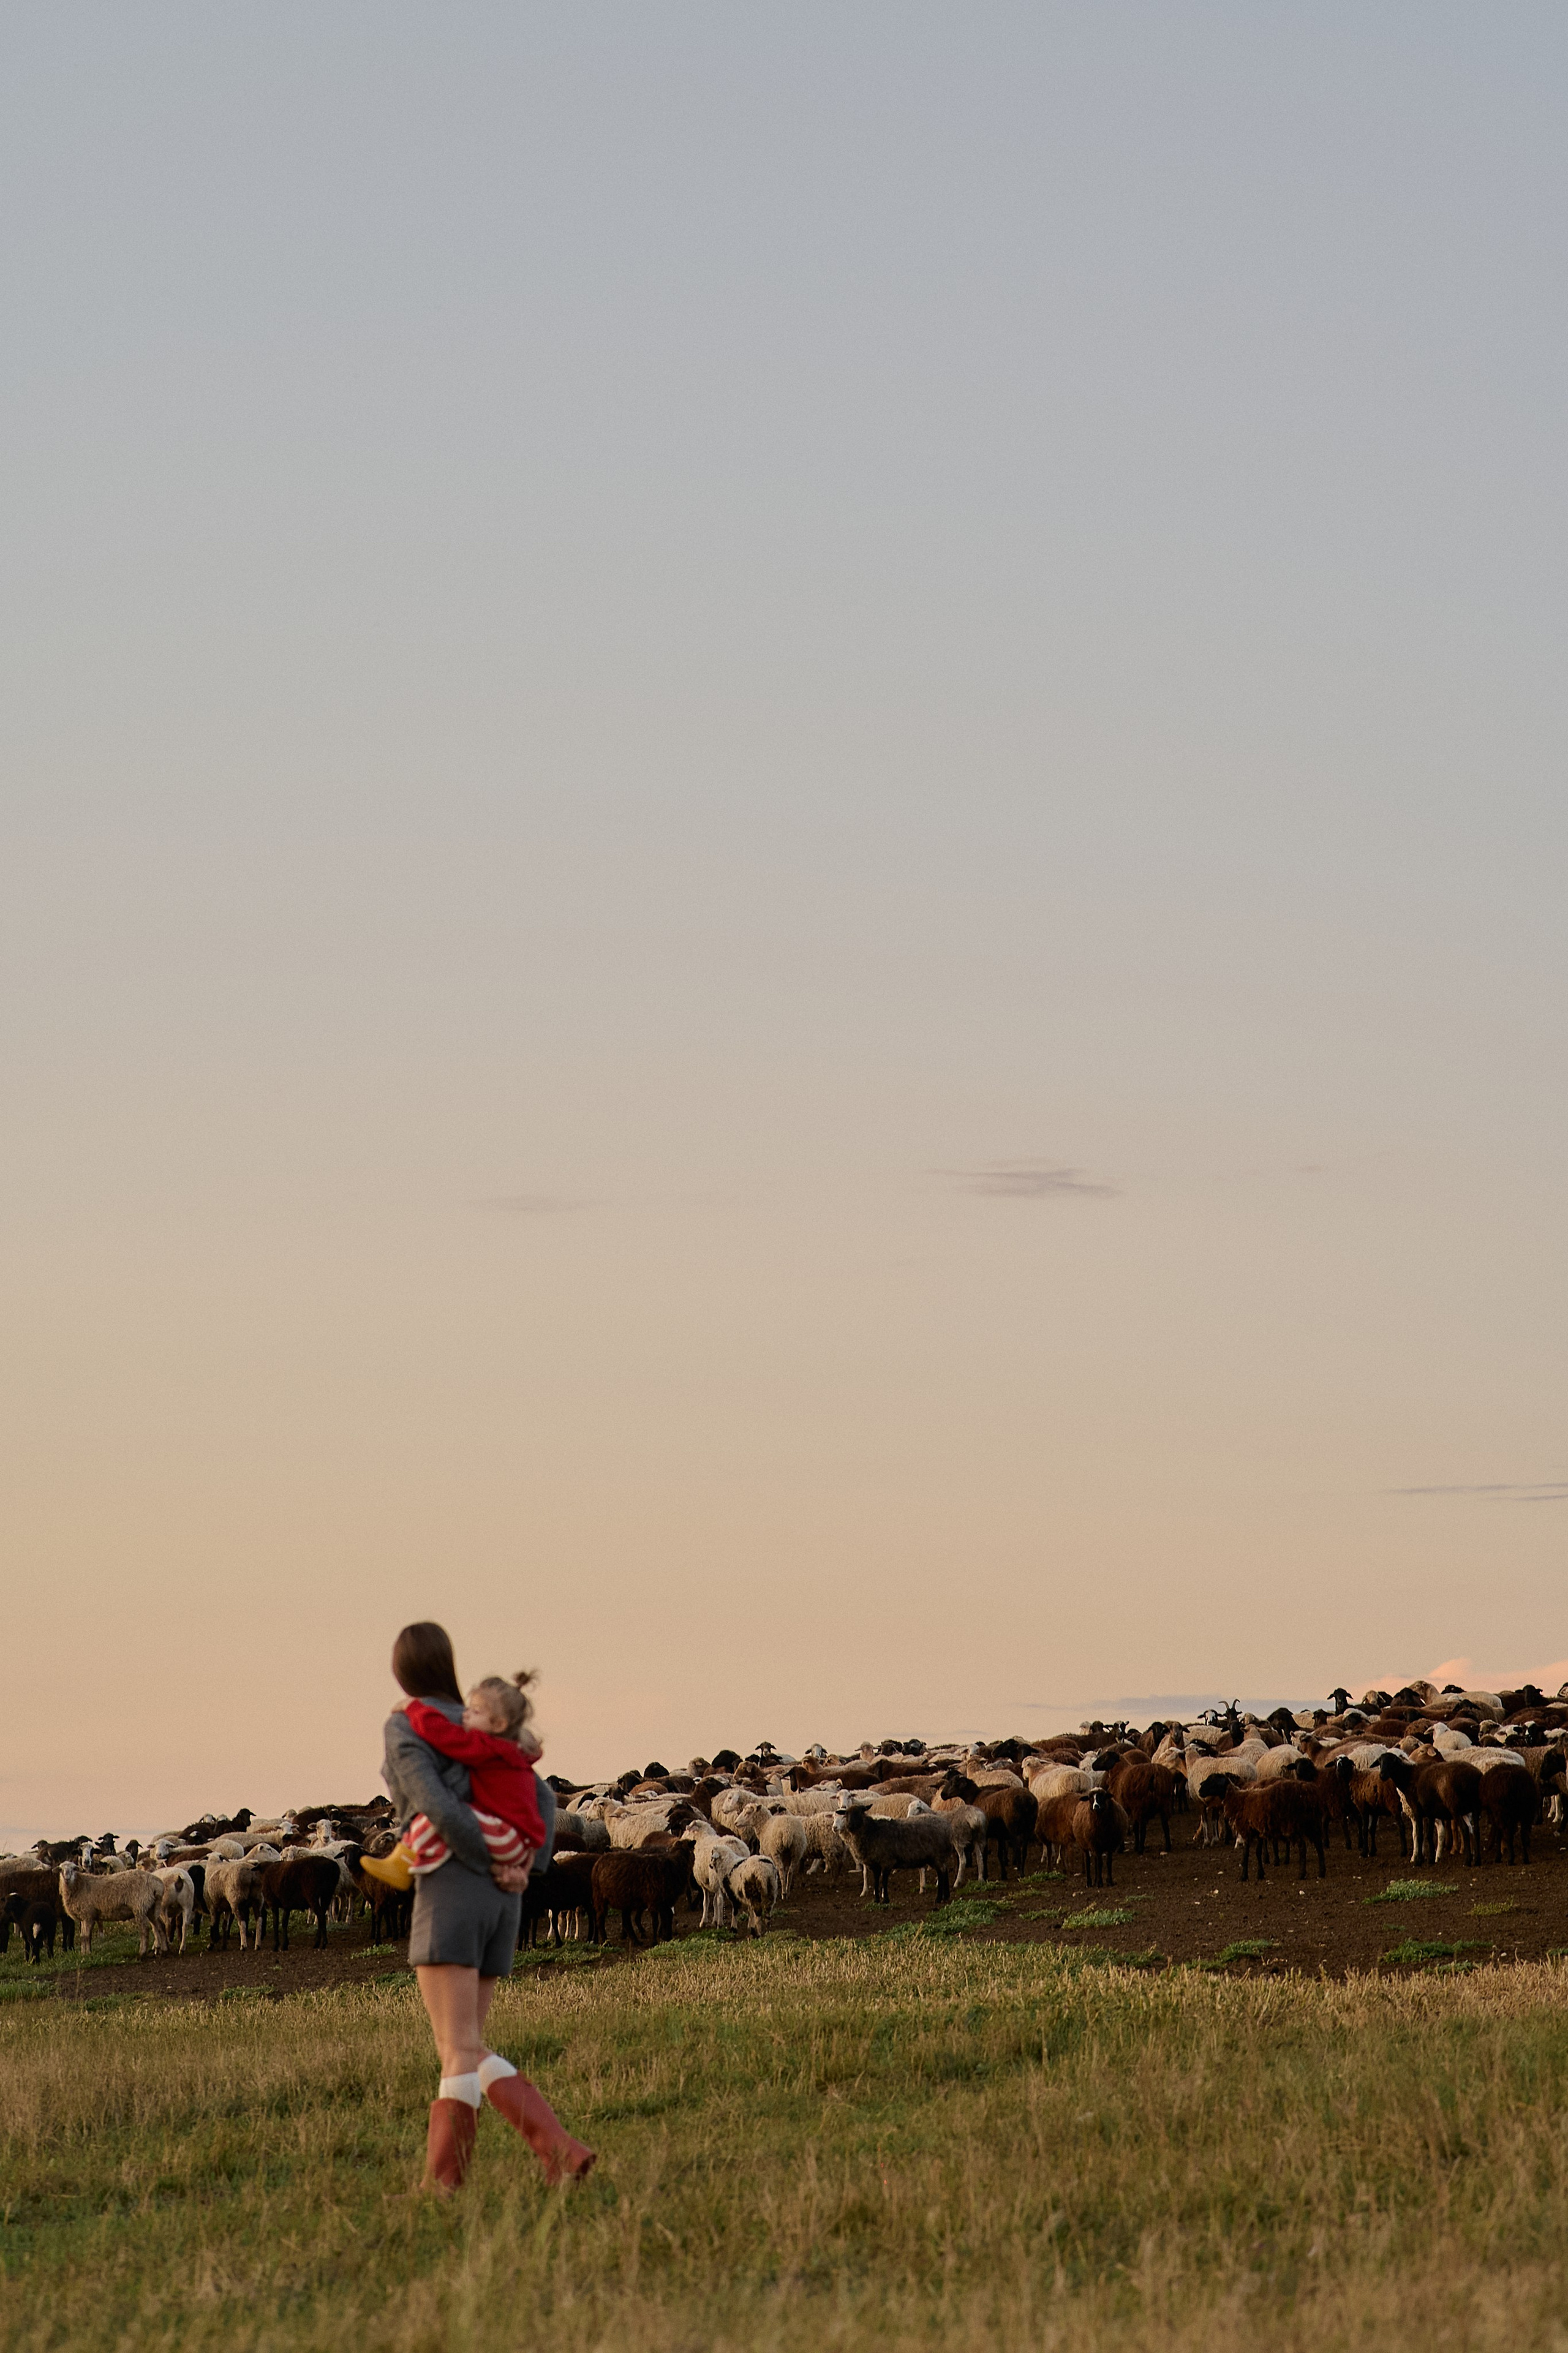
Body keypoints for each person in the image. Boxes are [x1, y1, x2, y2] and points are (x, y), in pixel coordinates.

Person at [382, 1619, 595, 2193]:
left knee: (458, 2047)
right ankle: (542, 2157)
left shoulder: (409, 1725)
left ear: (401, 1670)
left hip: (453, 1889)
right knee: (467, 2042)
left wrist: (483, 1859)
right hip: (505, 1900)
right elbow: (544, 1798)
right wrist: (526, 1864)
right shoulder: (490, 1721)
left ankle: (461, 2178)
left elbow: (436, 1807)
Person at [366, 1671, 548, 1891]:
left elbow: (444, 1736)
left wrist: (413, 1708)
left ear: (499, 1725)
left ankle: (402, 1865)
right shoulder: (514, 1753)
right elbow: (543, 1800)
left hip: (506, 1836)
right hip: (520, 1841)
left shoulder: (486, 1746)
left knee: (430, 1820)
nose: (465, 1715)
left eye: (475, 1711)